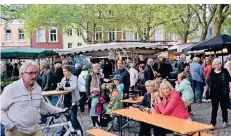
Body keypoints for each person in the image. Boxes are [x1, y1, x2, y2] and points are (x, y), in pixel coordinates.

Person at [1, 60, 65, 136]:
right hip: (17, 131)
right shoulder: (11, 89)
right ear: (22, 74)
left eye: (36, 73)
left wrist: (60, 110)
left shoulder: (37, 88)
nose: (34, 76)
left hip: (35, 129)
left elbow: (43, 104)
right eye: (31, 73)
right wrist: (10, 126)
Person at [206, 58, 231, 128]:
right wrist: (204, 92)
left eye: (220, 63)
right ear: (214, 65)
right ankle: (212, 123)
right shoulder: (212, 72)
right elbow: (208, 82)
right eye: (217, 64)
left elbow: (229, 81)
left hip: (223, 92)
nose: (219, 65)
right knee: (214, 109)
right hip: (214, 93)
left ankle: (225, 121)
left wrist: (230, 91)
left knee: (224, 108)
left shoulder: (224, 71)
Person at [59, 65, 83, 134]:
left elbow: (73, 87)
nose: (64, 73)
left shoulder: (74, 77)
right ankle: (71, 131)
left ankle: (79, 130)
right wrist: (59, 87)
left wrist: (64, 88)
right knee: (67, 117)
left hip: (73, 100)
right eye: (63, 71)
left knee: (73, 117)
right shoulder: (63, 79)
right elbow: (60, 85)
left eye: (65, 71)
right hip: (65, 100)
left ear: (69, 71)